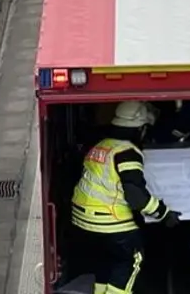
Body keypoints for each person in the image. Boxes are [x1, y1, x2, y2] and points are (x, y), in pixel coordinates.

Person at [71, 101, 179, 294]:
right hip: (110, 221)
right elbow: (136, 196)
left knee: (106, 262)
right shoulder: (127, 153)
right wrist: (164, 214)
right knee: (132, 260)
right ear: (141, 128)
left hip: (83, 221)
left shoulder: (101, 146)